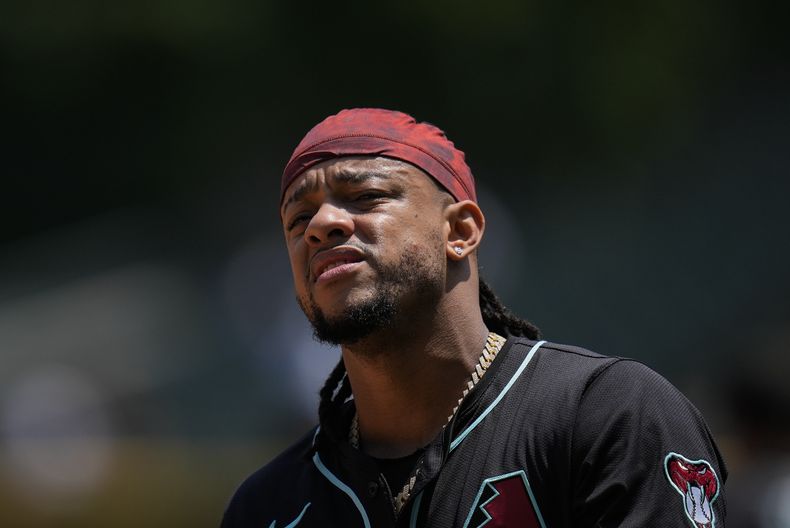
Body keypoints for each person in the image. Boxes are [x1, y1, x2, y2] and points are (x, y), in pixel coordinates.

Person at [221, 108, 727, 527]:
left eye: (365, 196)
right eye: (298, 218)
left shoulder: (606, 416)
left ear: (460, 230)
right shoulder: (267, 506)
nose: (322, 224)